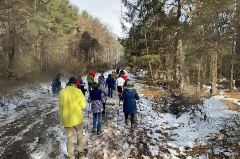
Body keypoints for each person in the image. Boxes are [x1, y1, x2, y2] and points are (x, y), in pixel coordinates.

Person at [59, 77, 88, 159]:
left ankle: (71, 156)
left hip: (66, 119)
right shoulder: (78, 91)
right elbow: (83, 105)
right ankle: (81, 154)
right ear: (75, 84)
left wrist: (62, 119)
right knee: (80, 136)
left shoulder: (62, 92)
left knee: (69, 138)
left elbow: (60, 106)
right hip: (77, 118)